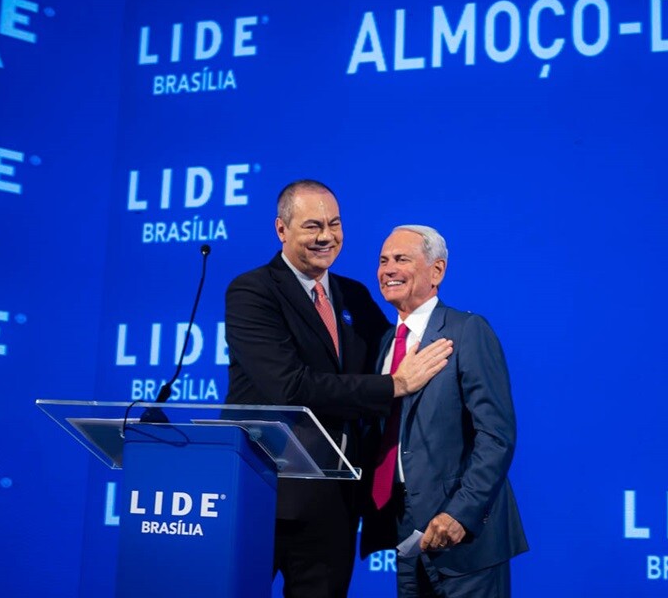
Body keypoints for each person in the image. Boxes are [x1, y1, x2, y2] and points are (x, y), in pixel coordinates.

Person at [225, 181, 453, 598]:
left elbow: (395, 352)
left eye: (334, 224)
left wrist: (445, 332)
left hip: (334, 499)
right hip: (262, 496)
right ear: (282, 229)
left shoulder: (354, 294)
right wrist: (394, 385)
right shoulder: (252, 292)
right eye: (313, 226)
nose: (326, 236)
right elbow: (289, 386)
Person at [361, 225, 528, 597]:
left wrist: (460, 513)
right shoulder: (384, 343)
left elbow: (496, 436)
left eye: (401, 259)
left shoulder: (467, 331)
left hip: (464, 540)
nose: (388, 269)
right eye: (383, 261)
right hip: (406, 537)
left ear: (437, 271)